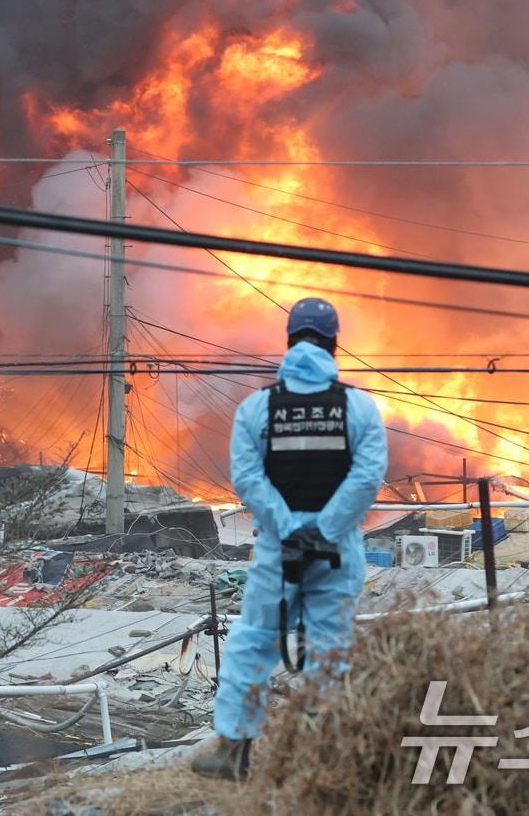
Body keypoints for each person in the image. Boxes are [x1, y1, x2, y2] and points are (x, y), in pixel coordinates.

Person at [191, 297, 387, 781]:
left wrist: (288, 527)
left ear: (290, 341)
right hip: (337, 549)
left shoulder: (257, 408)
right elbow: (367, 477)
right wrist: (324, 529)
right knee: (330, 647)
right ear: (334, 344)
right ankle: (321, 759)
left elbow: (248, 477)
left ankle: (233, 752)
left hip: (279, 548)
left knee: (254, 640)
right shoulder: (358, 406)